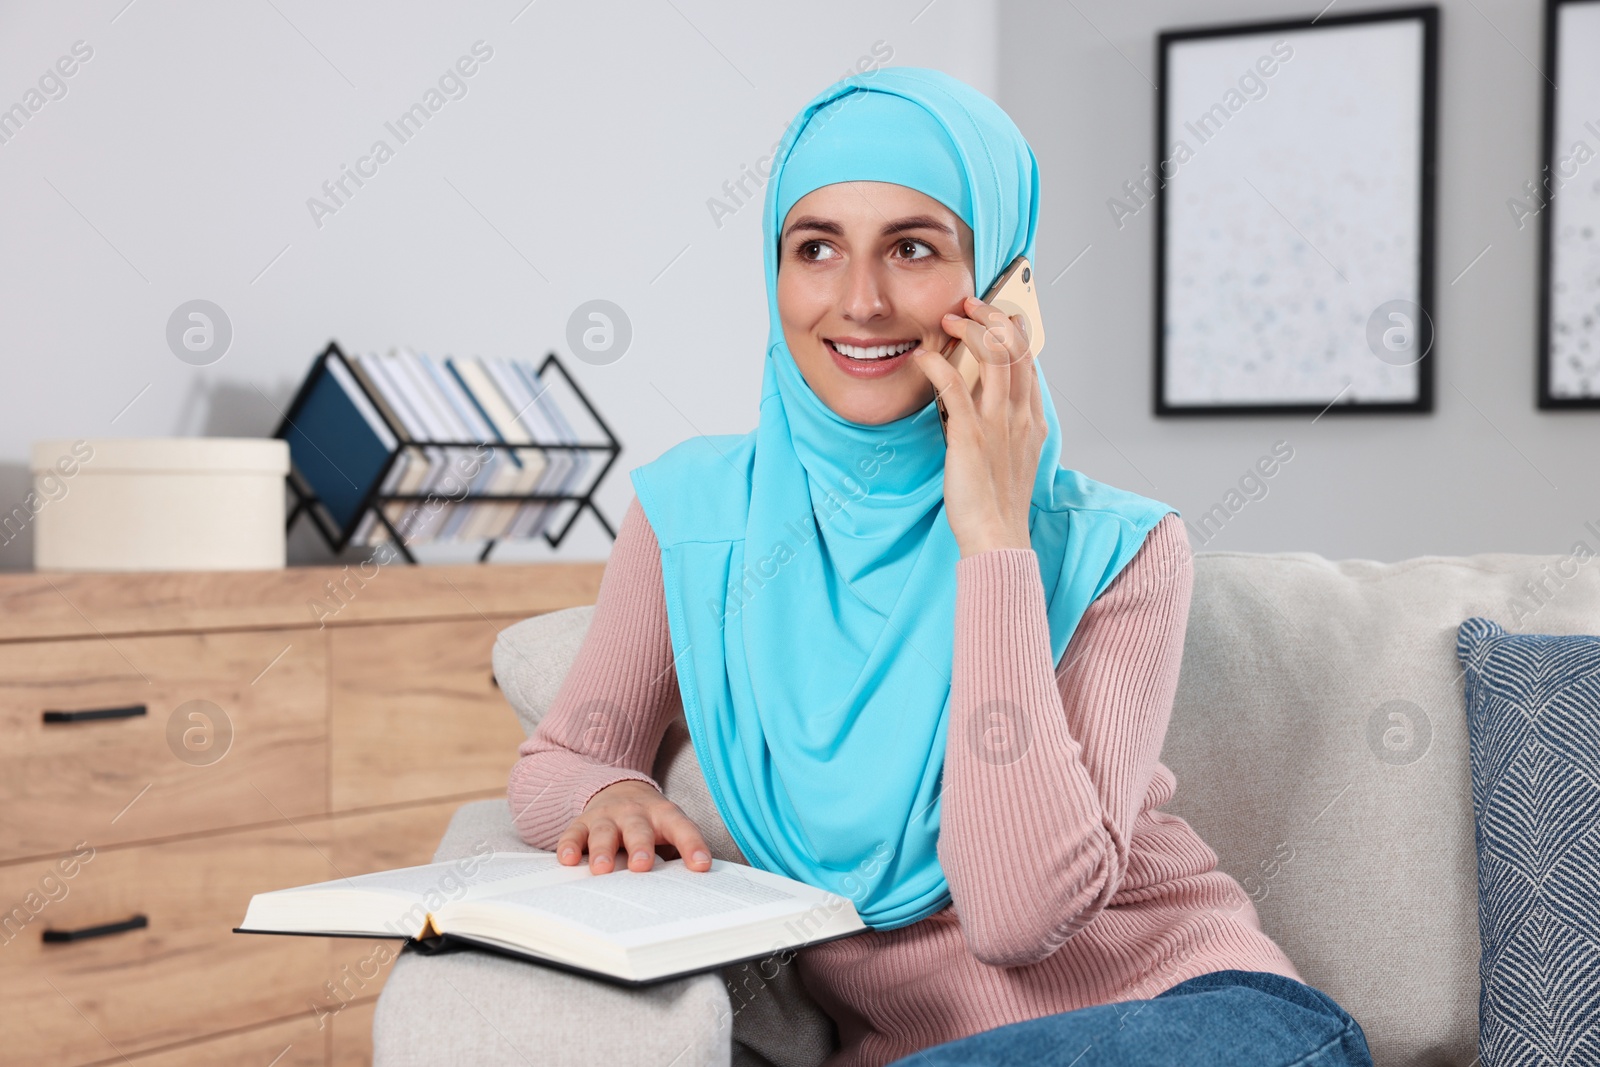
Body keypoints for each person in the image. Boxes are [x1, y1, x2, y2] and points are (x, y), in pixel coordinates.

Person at [508, 66, 1373, 1067]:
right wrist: (602, 793)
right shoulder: (693, 515)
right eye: (815, 248)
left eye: (912, 249)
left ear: (1002, 282)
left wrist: (996, 537)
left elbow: (1013, 914)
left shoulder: (1123, 548)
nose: (860, 301)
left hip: (1207, 1024)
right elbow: (558, 761)